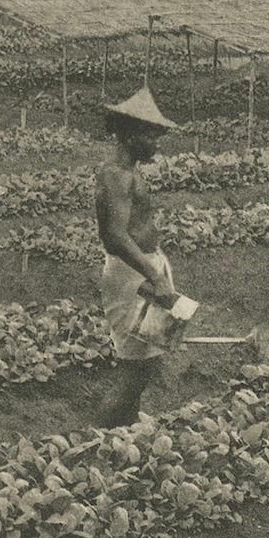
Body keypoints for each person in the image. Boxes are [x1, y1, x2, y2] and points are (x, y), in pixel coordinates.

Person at [92, 86, 181, 426]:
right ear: (129, 135)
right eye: (150, 136)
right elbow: (113, 236)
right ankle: (97, 436)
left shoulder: (130, 171)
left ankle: (124, 427)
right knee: (134, 367)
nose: (156, 144)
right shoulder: (115, 175)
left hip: (142, 269)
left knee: (146, 361)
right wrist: (154, 276)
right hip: (133, 275)